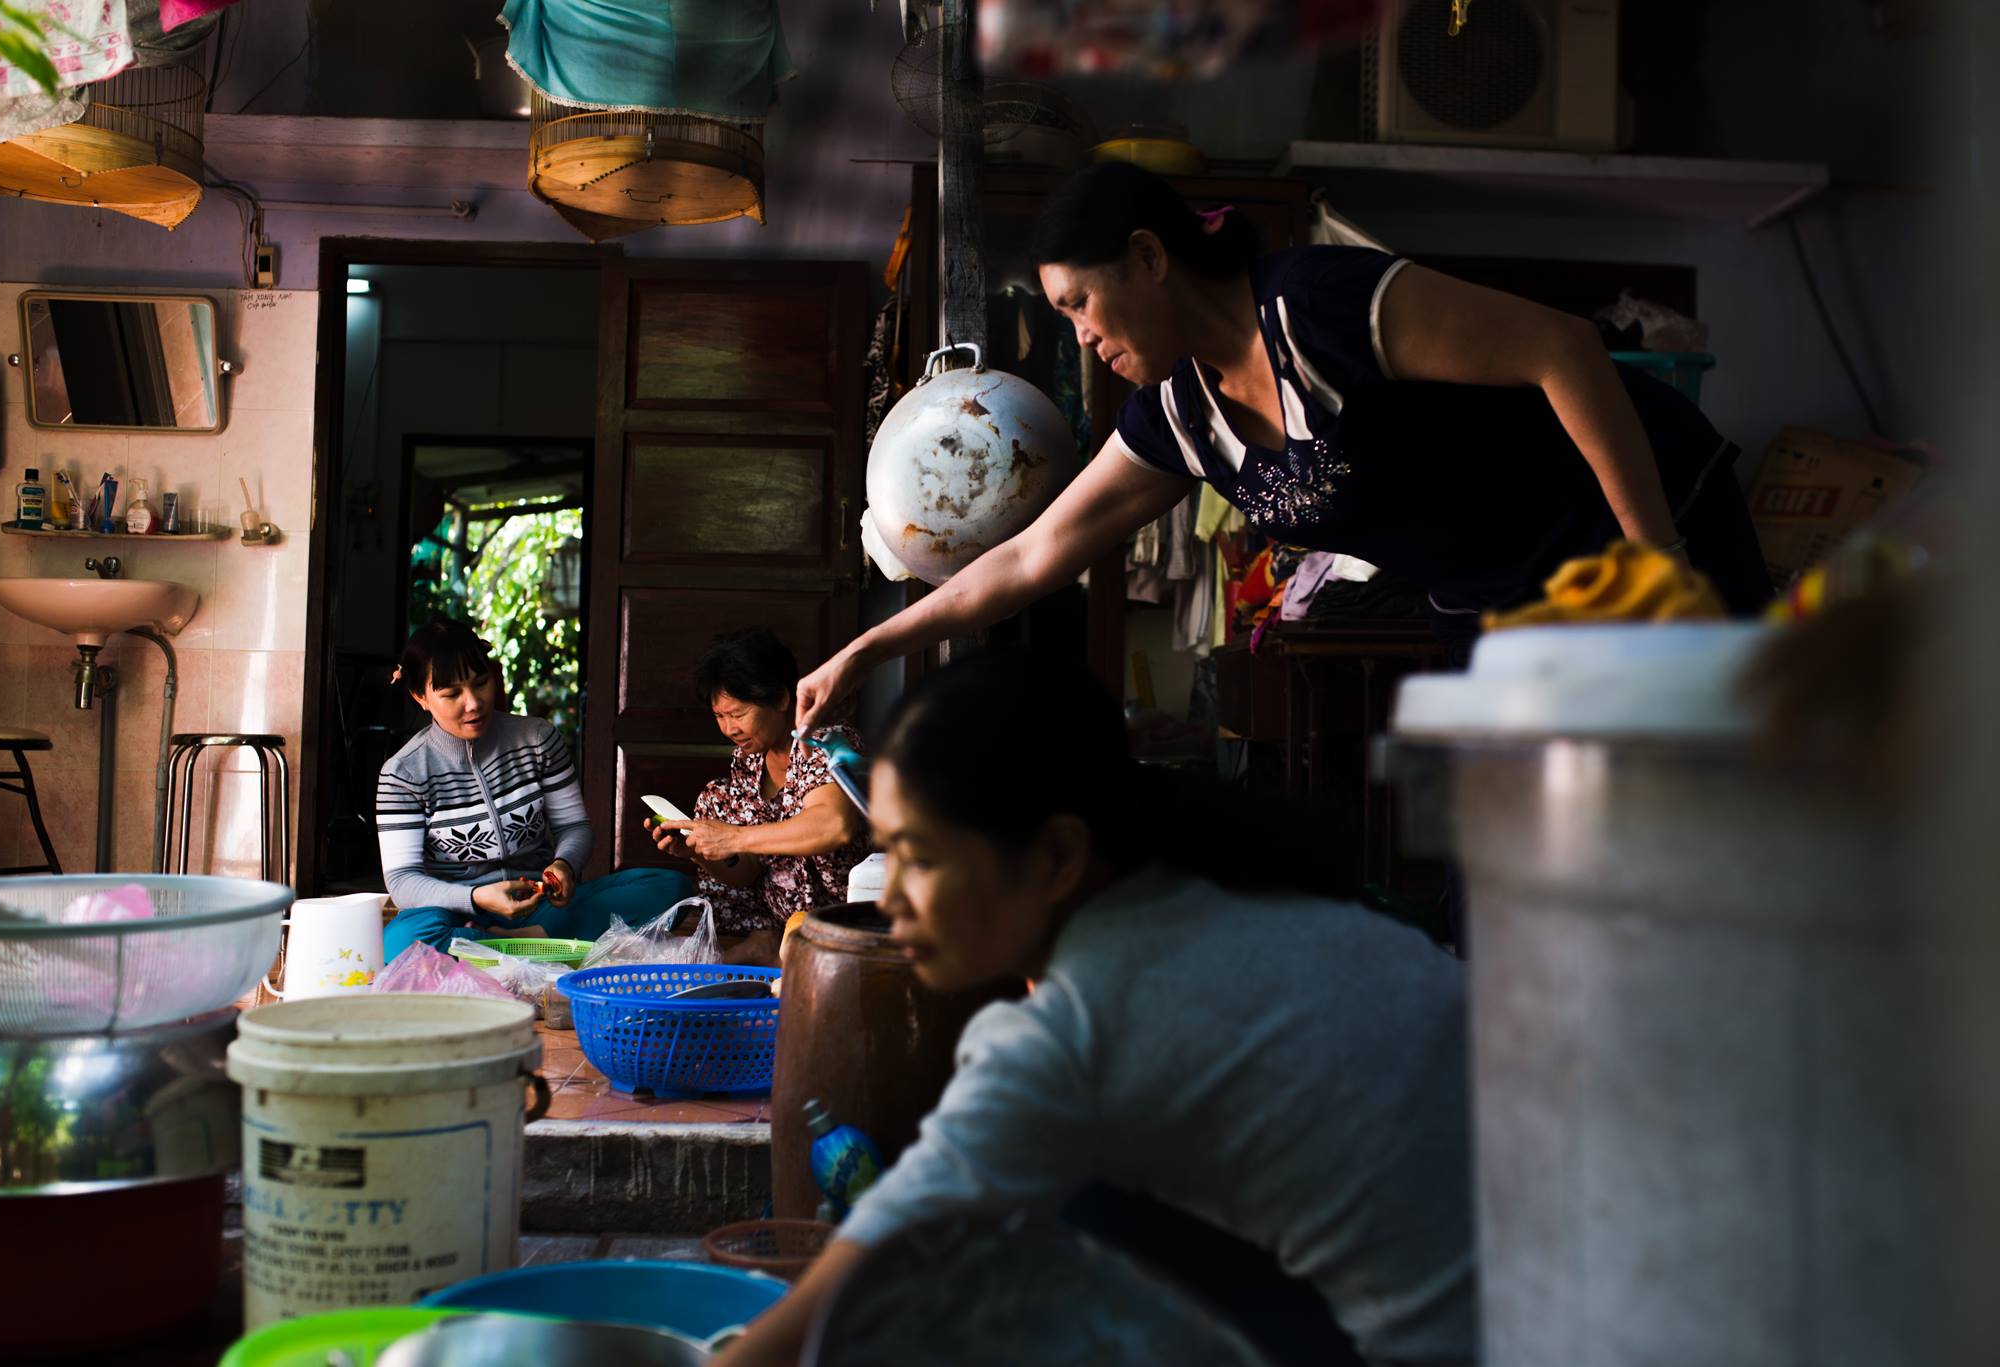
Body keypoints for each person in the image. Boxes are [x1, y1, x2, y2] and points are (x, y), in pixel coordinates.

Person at [796, 161, 1772, 725]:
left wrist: (1657, 561)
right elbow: (1029, 555)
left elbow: (1562, 349)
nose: (1081, 336)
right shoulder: (1179, 418)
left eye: (1081, 305)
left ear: (1148, 256)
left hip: (1636, 528)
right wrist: (867, 648)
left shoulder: (1316, 307)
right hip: (1497, 605)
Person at [714, 652, 1476, 1367]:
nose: (896, 895)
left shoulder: (1075, 1031)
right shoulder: (1219, 888)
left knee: (981, 1260)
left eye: (924, 856)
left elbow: (879, 1249)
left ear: (1055, 857)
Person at [376, 616, 690, 961]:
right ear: (421, 697)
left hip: (540, 907)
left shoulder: (537, 739)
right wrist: (477, 897)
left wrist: (564, 866)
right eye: (452, 694)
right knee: (400, 940)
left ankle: (503, 947)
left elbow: (574, 828)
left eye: (480, 683)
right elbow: (403, 882)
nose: (474, 703)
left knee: (671, 889)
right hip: (458, 913)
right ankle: (538, 948)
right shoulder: (403, 773)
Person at [647, 627, 870, 966]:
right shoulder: (748, 761)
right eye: (720, 716)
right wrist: (700, 851)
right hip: (779, 914)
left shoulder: (825, 742)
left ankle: (797, 950)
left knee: (762, 826)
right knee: (714, 800)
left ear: (780, 699)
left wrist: (733, 837)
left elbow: (833, 826)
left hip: (841, 912)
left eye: (738, 714)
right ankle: (767, 939)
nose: (729, 728)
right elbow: (747, 873)